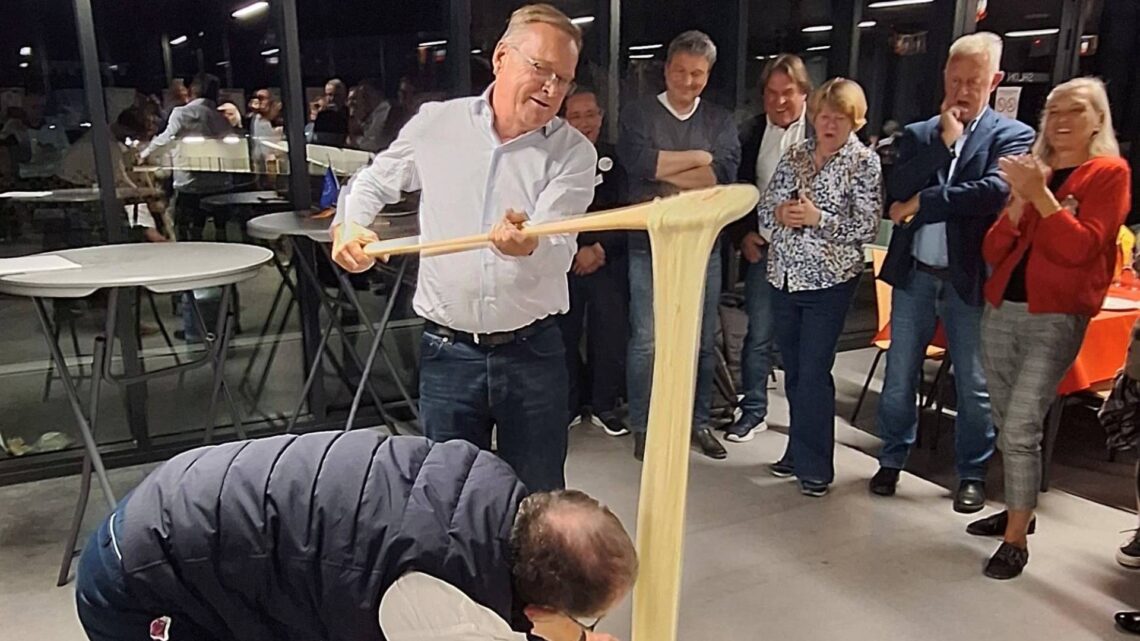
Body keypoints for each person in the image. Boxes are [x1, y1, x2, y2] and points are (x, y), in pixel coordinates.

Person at [330, 4, 595, 492]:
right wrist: (349, 226)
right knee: (447, 498)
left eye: (563, 79)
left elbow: (558, 249)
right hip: (447, 352)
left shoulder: (573, 153)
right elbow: (372, 182)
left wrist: (527, 246)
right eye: (540, 69)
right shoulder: (438, 124)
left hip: (532, 354)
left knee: (537, 501)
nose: (551, 88)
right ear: (501, 58)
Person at [75, 431, 637, 641]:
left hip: (185, 499)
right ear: (540, 609)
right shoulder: (435, 594)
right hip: (143, 578)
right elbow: (465, 623)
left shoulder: (485, 480)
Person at [962, 77, 1131, 579]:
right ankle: (1019, 511)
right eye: (1053, 110)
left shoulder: (1109, 173)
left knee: (1020, 427)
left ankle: (1016, 539)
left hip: (1055, 316)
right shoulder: (1040, 171)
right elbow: (994, 249)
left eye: (1074, 110)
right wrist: (1020, 200)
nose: (1060, 120)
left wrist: (1040, 196)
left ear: (1097, 120)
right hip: (1003, 310)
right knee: (1003, 419)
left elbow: (1080, 248)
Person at [869, 32, 1035, 512]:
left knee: (974, 384)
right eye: (955, 79)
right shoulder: (922, 133)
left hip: (968, 278)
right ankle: (891, 458)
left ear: (994, 81)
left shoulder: (1012, 136)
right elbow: (896, 188)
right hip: (915, 274)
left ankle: (972, 473)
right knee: (899, 376)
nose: (962, 90)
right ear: (944, 75)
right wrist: (944, 144)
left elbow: (991, 193)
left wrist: (923, 202)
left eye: (973, 82)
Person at [618, 30, 741, 461]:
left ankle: (699, 422)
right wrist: (699, 158)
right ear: (667, 68)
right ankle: (644, 425)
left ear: (708, 75)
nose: (688, 81)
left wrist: (667, 169)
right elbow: (639, 164)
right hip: (648, 244)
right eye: (681, 71)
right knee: (647, 341)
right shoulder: (637, 114)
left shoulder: (720, 120)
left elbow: (721, 176)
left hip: (703, 246)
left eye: (698, 74)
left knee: (701, 341)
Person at [758, 78, 881, 496]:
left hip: (829, 282)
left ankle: (815, 468)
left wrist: (818, 219)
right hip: (784, 276)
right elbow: (766, 206)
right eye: (824, 116)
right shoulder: (796, 154)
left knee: (813, 373)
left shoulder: (864, 163)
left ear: (855, 120)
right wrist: (780, 213)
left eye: (839, 118)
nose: (829, 125)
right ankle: (797, 450)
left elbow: (867, 227)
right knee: (793, 371)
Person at [725, 53, 812, 443]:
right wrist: (743, 235)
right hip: (765, 253)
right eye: (771, 93)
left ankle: (803, 423)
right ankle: (753, 410)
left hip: (810, 259)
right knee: (757, 336)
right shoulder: (751, 132)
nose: (779, 101)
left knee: (802, 344)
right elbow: (737, 191)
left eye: (787, 92)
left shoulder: (822, 130)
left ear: (804, 93)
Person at [558, 87, 630, 437]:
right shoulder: (552, 159)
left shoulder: (618, 158)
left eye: (590, 114)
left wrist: (599, 249)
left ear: (601, 117)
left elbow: (629, 210)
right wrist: (575, 250)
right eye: (576, 116)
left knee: (609, 333)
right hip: (566, 261)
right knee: (563, 334)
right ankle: (571, 403)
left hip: (607, 259)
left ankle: (604, 405)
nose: (585, 122)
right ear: (563, 121)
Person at [140, 72, 234, 241]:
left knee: (188, 232)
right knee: (222, 232)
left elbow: (166, 137)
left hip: (190, 184)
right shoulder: (221, 118)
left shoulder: (182, 113)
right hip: (220, 184)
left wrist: (144, 154)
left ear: (193, 90)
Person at [347, 78, 393, 153]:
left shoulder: (384, 112)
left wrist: (355, 140)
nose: (364, 100)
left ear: (379, 94)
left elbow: (373, 144)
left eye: (366, 95)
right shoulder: (370, 113)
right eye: (362, 96)